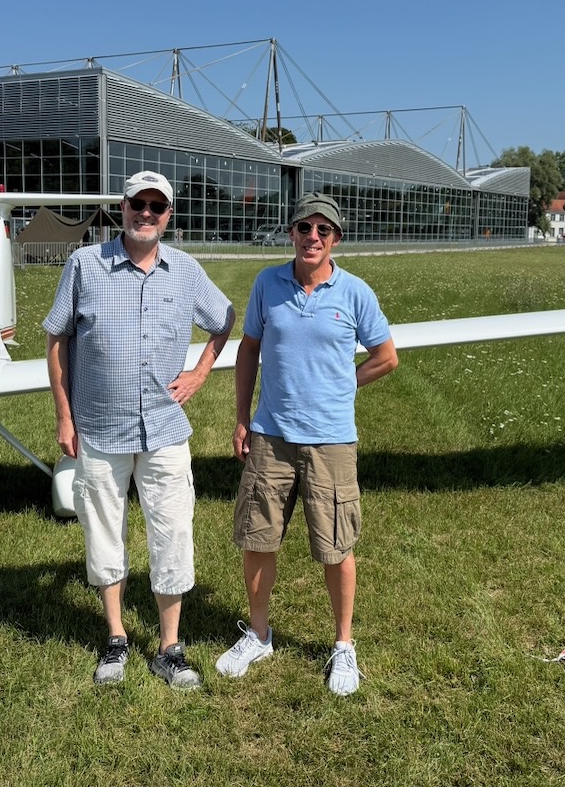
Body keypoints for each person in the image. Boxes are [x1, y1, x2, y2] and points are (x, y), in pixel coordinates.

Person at [44, 170, 234, 690]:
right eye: (137, 204)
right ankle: (117, 636)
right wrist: (64, 415)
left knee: (172, 532)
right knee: (104, 531)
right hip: (100, 428)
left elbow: (224, 318)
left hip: (165, 428)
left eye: (156, 206)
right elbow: (57, 341)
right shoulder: (85, 265)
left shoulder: (186, 271)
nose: (145, 213)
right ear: (121, 208)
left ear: (168, 214)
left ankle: (170, 647)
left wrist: (198, 374)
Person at [216, 192, 398, 696]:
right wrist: (242, 418)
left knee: (335, 546)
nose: (312, 237)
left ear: (335, 239)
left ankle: (343, 646)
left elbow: (386, 356)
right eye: (303, 228)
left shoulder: (355, 292)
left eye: (322, 230)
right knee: (258, 537)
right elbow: (249, 348)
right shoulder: (266, 284)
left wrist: (345, 384)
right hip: (271, 435)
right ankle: (258, 634)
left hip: (331, 441)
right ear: (292, 234)